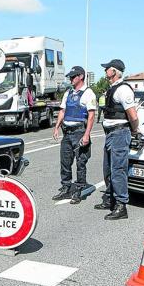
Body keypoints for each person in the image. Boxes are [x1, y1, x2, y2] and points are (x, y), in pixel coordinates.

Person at [94, 59, 139, 220]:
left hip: (120, 133)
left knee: (118, 170)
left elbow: (133, 115)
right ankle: (110, 199)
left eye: (107, 69)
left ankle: (121, 206)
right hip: (111, 133)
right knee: (108, 169)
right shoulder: (113, 88)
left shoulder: (123, 90)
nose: (105, 71)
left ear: (114, 71)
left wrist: (135, 130)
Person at [51, 66, 97, 204]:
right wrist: (56, 127)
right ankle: (66, 188)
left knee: (80, 163)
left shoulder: (89, 94)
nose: (70, 79)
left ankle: (78, 190)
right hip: (67, 133)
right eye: (70, 77)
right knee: (65, 162)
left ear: (81, 76)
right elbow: (63, 111)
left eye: (73, 76)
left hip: (79, 132)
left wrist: (87, 135)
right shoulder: (68, 93)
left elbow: (91, 116)